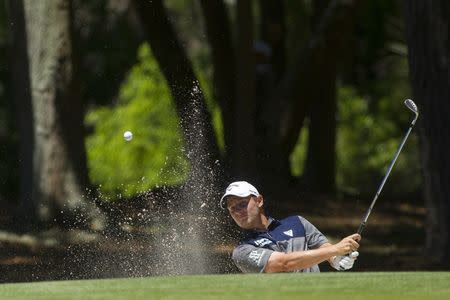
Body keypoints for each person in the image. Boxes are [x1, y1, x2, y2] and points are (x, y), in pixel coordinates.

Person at [220, 181, 361, 273]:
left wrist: (336, 258)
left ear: (259, 200)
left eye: (242, 204)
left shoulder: (297, 222)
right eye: (232, 209)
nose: (238, 211)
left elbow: (322, 246)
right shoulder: (242, 251)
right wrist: (335, 249)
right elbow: (283, 263)